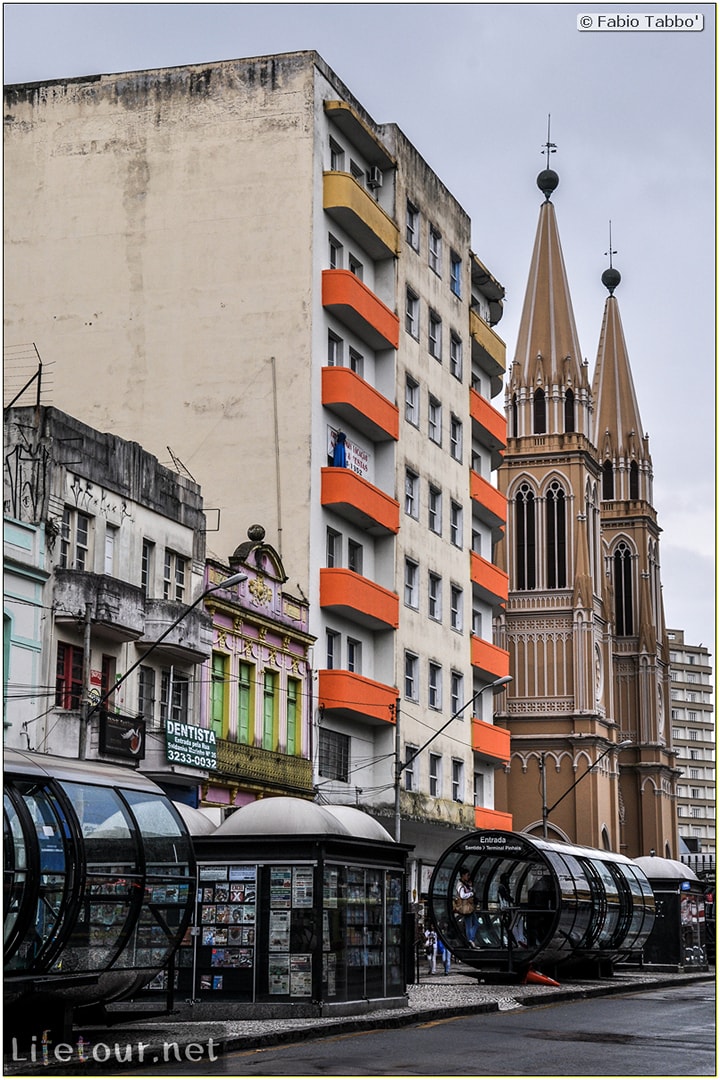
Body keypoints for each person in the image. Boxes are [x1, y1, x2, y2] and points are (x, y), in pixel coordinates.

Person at [455, 867, 479, 947]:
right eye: (467, 875)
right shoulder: (460, 885)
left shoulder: (465, 884)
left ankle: (471, 939)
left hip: (470, 907)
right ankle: (470, 940)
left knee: (476, 924)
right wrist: (471, 894)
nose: (468, 877)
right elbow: (462, 895)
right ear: (463, 875)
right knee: (469, 924)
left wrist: (470, 887)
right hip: (465, 907)